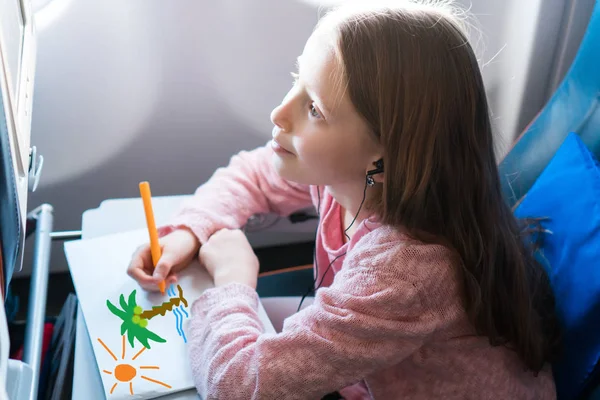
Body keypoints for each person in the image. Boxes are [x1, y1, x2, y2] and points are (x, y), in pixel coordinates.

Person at [127, 1, 561, 398]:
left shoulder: (405, 273)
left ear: (383, 153)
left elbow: (239, 387)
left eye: (314, 108)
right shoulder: (351, 179)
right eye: (297, 80)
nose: (279, 113)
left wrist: (233, 280)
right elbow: (254, 172)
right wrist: (191, 228)